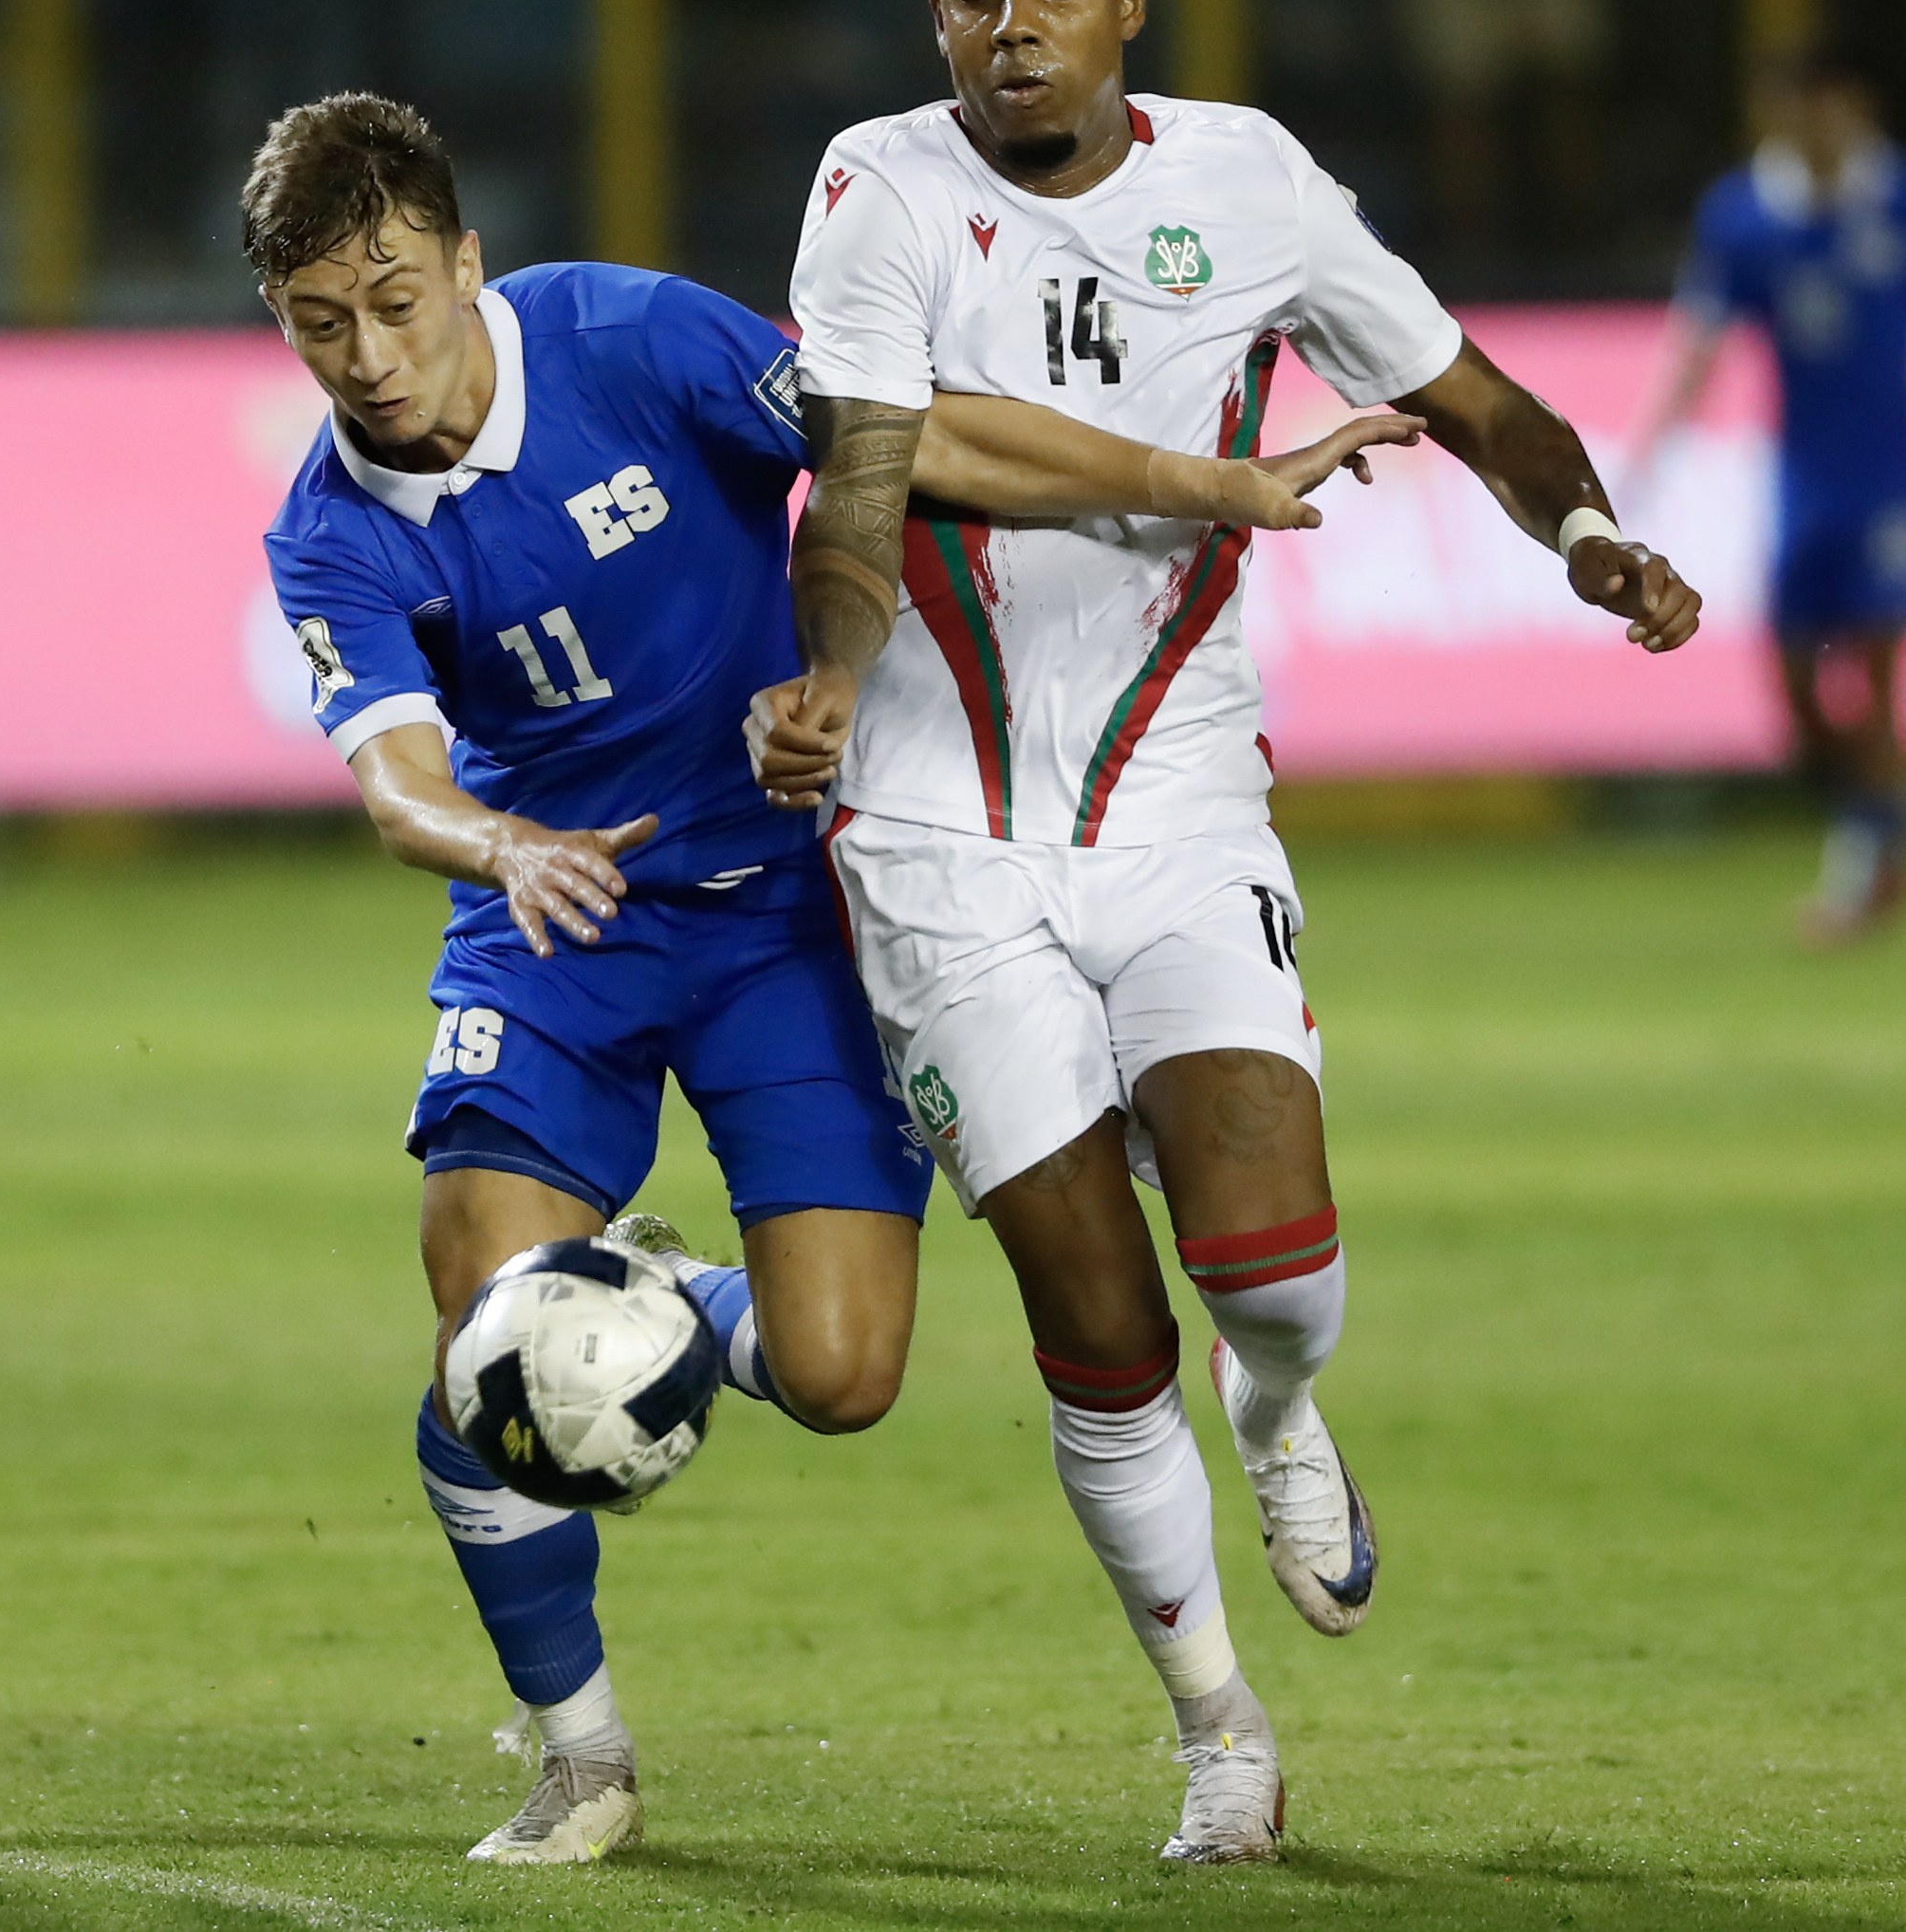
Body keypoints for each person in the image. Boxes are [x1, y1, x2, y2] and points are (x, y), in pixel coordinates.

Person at [250, 92, 1407, 1867]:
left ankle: (667, 1304)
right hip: (557, 916)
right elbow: (396, 773)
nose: (369, 357)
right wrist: (499, 847)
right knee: (483, 1321)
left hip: (790, 906)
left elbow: (900, 439)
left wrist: (1197, 484)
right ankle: (580, 1756)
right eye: (319, 322)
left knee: (843, 1373)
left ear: (464, 260)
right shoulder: (330, 520)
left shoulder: (630, 339)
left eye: (394, 299)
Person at [767, 0, 1705, 1865]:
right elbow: (867, 467)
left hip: (1184, 802)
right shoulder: (879, 186)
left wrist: (1587, 535)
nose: (1002, 20)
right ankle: (1219, 1731)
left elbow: (1470, 399)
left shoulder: (1253, 181)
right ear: (931, 19)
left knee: (1270, 1271)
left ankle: (1278, 1412)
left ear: (1129, 5)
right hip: (934, 826)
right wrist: (834, 677)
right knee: (1093, 1307)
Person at [1631, 47, 1906, 943]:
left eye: (1822, 106)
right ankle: (1880, 834)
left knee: (1866, 677)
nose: (1809, 125)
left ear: (1852, 107)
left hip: (1890, 481)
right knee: (1793, 695)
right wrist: (1650, 451)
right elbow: (1703, 339)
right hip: (1804, 483)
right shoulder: (1746, 216)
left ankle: (1863, 869)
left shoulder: (1892, 198)